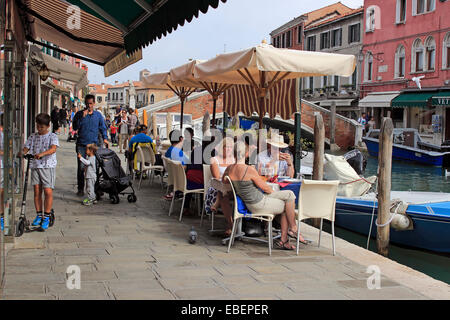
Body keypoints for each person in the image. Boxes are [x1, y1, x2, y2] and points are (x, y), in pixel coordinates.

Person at [223, 142, 306, 250]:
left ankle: (286, 236)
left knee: (289, 195)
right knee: (288, 202)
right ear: (247, 154)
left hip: (250, 202)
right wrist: (275, 195)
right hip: (258, 203)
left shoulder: (229, 169)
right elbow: (265, 188)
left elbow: (224, 181)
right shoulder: (249, 169)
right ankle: (292, 230)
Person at [23, 113, 59, 231]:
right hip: (35, 166)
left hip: (47, 167)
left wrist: (42, 154)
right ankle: (39, 215)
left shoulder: (52, 136)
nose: (39, 129)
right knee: (37, 191)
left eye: (42, 127)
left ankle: (47, 216)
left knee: (47, 191)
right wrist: (22, 152)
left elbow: (53, 149)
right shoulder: (33, 136)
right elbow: (26, 147)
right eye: (38, 126)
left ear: (48, 126)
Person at [72, 94, 108, 197]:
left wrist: (105, 138)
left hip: (93, 145)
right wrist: (81, 118)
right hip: (82, 144)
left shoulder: (98, 115)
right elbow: (75, 127)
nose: (89, 106)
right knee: (81, 167)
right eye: (87, 103)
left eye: (91, 104)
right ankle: (80, 188)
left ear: (94, 103)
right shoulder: (79, 114)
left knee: (94, 167)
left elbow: (103, 128)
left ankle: (95, 189)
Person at [205, 136, 235, 236]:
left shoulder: (234, 160)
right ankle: (230, 225)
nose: (229, 149)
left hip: (232, 188)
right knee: (223, 193)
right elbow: (217, 178)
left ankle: (234, 224)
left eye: (231, 147)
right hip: (215, 188)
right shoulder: (214, 160)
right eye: (227, 147)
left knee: (228, 193)